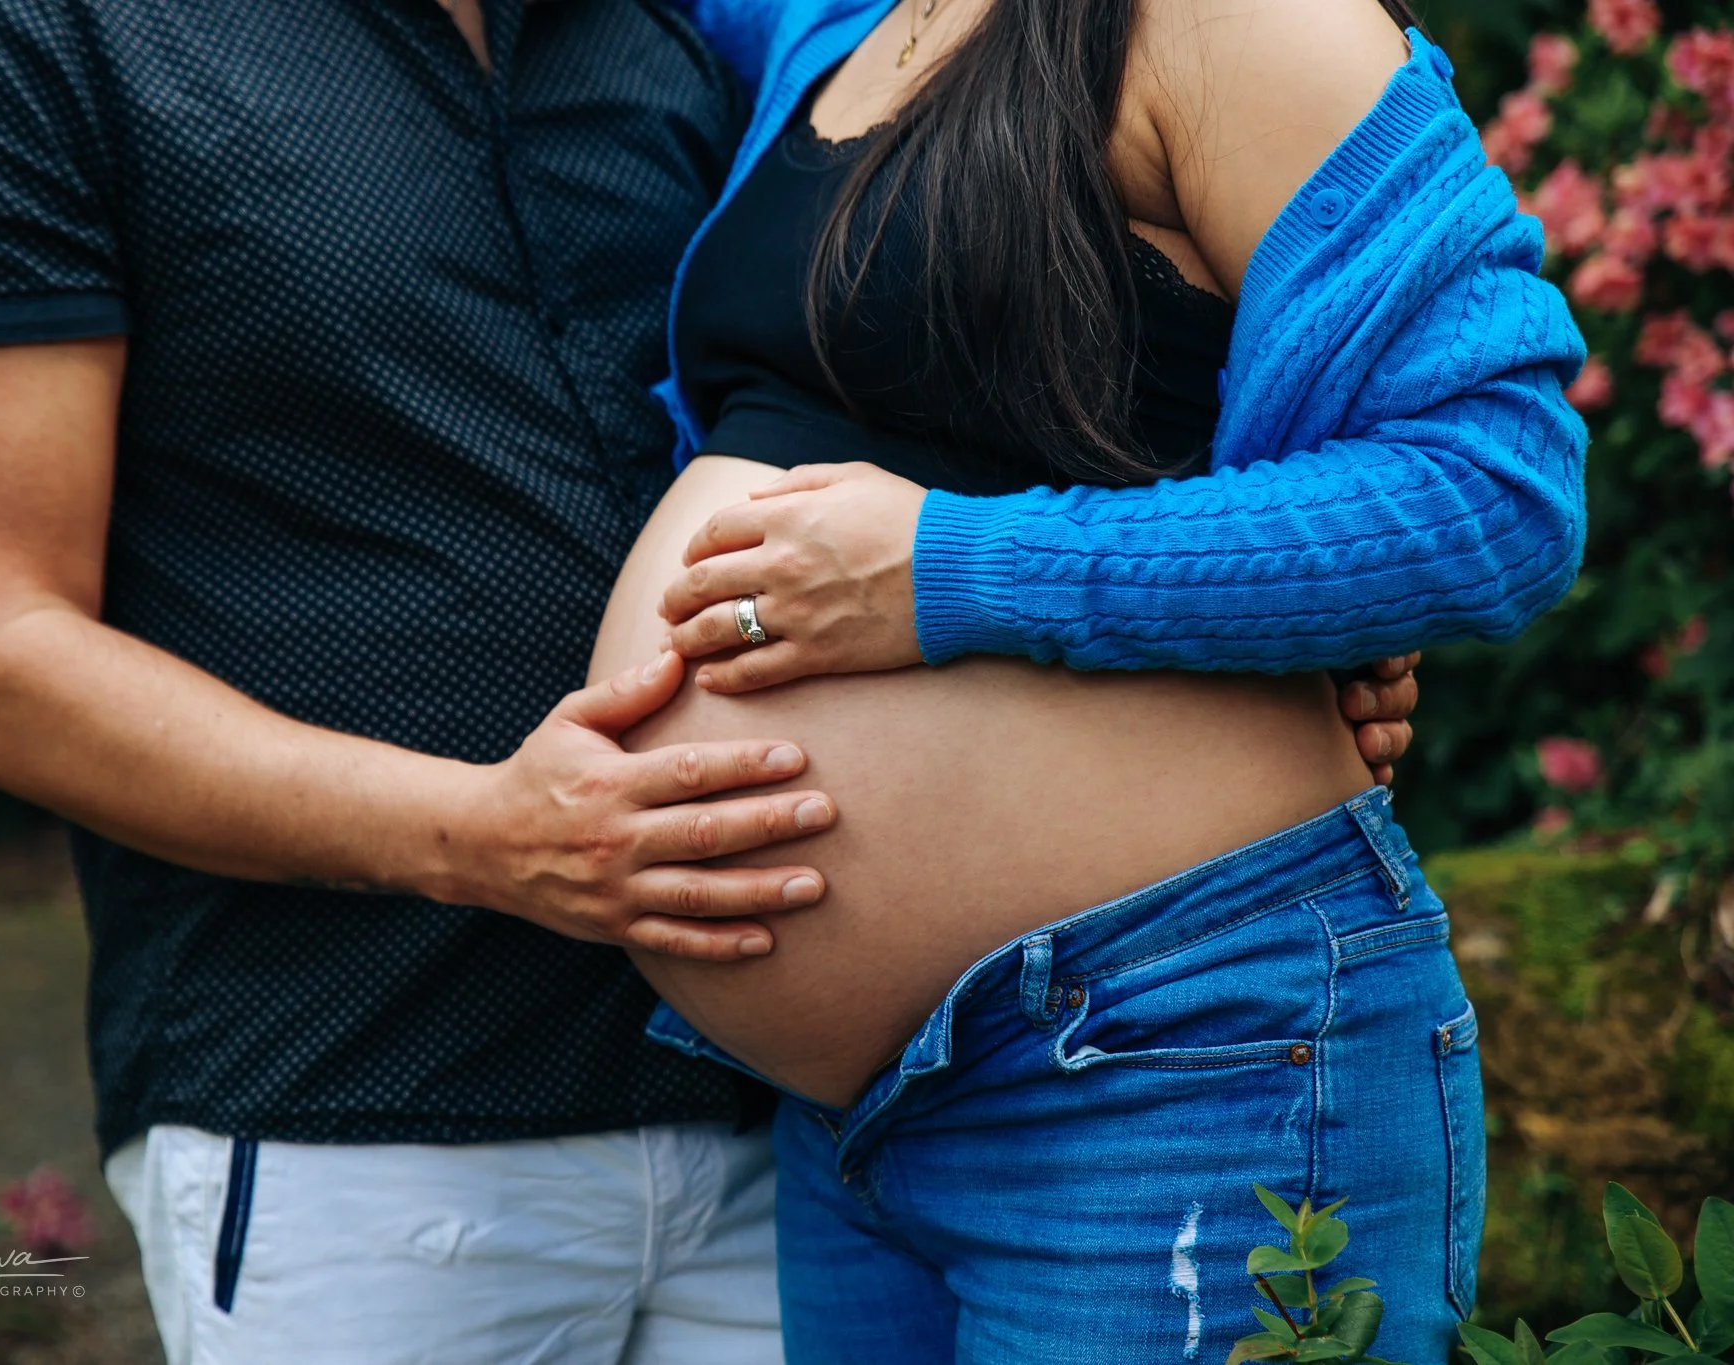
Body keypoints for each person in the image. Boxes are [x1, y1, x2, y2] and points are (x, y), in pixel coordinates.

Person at [0, 0, 1418, 1359]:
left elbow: (1020, 316)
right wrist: (474, 836)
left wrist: (1276, 604)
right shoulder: (25, 39)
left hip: (797, 1126)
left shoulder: (691, 22)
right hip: (364, 1102)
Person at [576, 0, 1588, 1359]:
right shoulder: (841, 18)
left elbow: (1492, 493)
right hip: (852, 1130)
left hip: (1173, 1068)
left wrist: (954, 571)